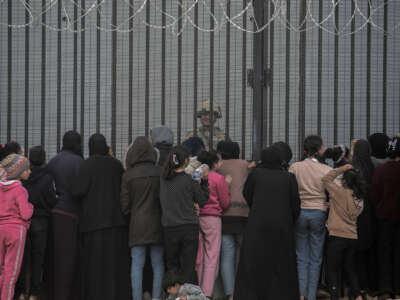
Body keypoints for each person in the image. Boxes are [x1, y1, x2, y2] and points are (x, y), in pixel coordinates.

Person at [234, 145, 300, 300]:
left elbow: (247, 193)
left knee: (254, 263)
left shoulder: (256, 174)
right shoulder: (288, 177)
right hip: (282, 227)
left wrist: (257, 209)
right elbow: (295, 204)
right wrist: (289, 220)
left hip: (257, 226)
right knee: (281, 265)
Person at [71, 133, 130, 300]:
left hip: (92, 223)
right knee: (114, 265)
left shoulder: (87, 165)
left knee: (94, 265)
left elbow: (77, 190)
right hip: (116, 222)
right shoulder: (116, 165)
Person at [120, 137, 164, 300]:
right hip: (157, 223)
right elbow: (163, 199)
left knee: (137, 264)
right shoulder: (159, 172)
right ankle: (156, 297)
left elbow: (124, 205)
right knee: (158, 264)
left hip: (136, 225)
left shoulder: (128, 175)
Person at [289, 135, 332, 300]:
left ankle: (300, 294)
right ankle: (311, 295)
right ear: (319, 148)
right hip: (319, 212)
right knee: (316, 257)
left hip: (300, 212)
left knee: (301, 256)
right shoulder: (326, 170)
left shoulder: (295, 167)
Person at [160, 146, 209, 284]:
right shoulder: (189, 181)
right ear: (186, 161)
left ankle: (172, 294)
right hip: (189, 228)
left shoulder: (163, 180)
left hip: (169, 228)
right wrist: (204, 181)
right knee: (188, 266)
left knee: (172, 266)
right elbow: (203, 200)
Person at [15, 146, 57, 300]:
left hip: (24, 221)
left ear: (29, 160)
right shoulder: (48, 177)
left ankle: (20, 292)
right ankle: (34, 293)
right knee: (38, 259)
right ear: (44, 160)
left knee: (22, 258)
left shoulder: (23, 176)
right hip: (42, 221)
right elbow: (52, 199)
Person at [47, 130, 83, 300]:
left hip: (55, 212)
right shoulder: (78, 161)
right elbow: (81, 189)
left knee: (56, 258)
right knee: (69, 259)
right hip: (71, 213)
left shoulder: (53, 161)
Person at [322, 164, 366, 300]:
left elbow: (326, 179)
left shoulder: (338, 192)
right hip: (352, 236)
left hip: (337, 236)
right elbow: (347, 210)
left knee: (332, 269)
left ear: (345, 181)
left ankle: (335, 296)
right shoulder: (359, 197)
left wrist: (342, 168)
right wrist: (332, 204)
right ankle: (358, 295)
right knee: (349, 268)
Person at [216, 141, 250, 300]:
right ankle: (242, 290)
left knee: (226, 255)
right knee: (242, 255)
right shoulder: (244, 164)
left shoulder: (219, 165)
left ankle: (230, 294)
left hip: (223, 214)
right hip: (243, 213)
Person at [196, 150, 230, 298]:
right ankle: (206, 293)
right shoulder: (218, 178)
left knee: (199, 255)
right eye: (219, 161)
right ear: (214, 163)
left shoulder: (195, 176)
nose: (221, 163)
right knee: (212, 255)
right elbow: (225, 202)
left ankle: (196, 288)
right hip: (213, 219)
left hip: (197, 217)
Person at [0, 154, 33, 300]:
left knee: (1, 269)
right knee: (11, 271)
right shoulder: (20, 190)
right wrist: (31, 206)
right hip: (16, 231)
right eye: (27, 169)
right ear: (19, 172)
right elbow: (26, 214)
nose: (30, 172)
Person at [370, 137, 400, 300]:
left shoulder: (381, 170)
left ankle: (386, 288)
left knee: (385, 253)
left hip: (384, 217)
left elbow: (374, 195)